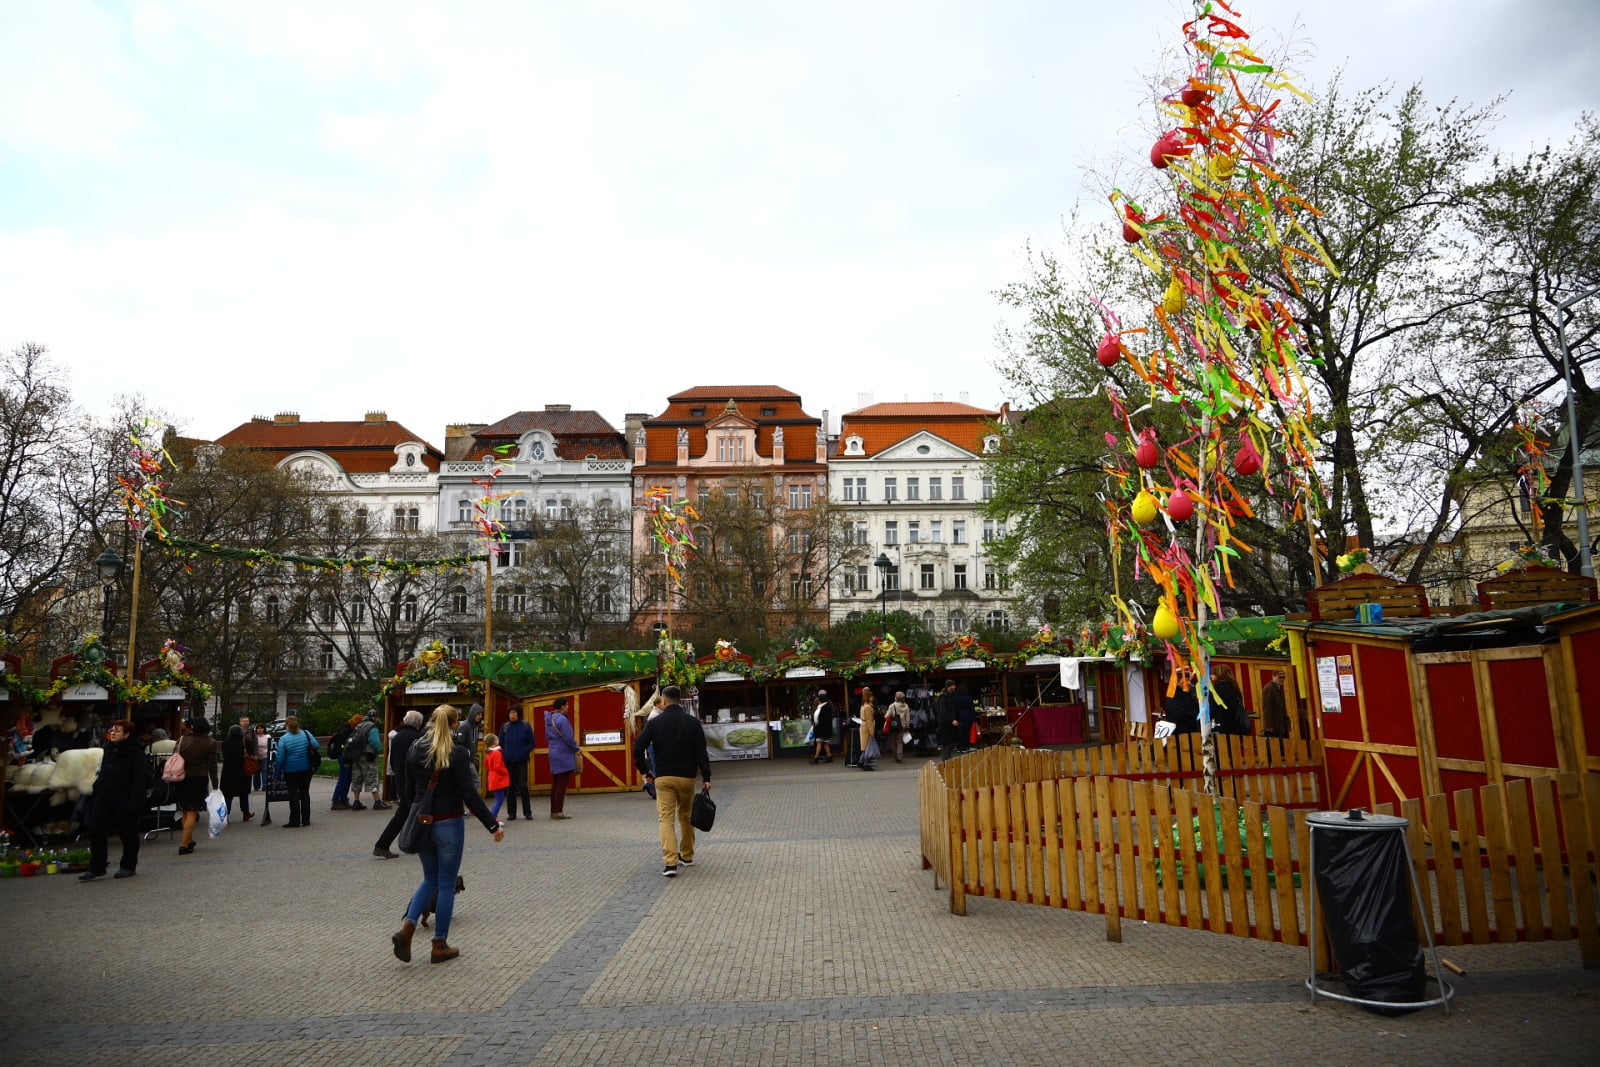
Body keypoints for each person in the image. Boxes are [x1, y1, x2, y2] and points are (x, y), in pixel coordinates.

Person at [392, 705, 505, 965]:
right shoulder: (457, 753)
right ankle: (439, 944)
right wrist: (492, 825)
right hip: (449, 822)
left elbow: (408, 791)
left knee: (428, 879)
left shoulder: (415, 749)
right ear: (456, 724)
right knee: (445, 884)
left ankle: (408, 927)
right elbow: (469, 794)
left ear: (431, 721)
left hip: (423, 822)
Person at [631, 685, 710, 877]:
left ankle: (670, 863)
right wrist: (706, 777)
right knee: (686, 816)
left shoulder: (655, 723)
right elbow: (701, 751)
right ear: (680, 700)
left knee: (665, 819)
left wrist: (645, 771)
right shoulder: (692, 723)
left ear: (663, 701)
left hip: (663, 778)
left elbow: (638, 747)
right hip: (686, 778)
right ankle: (688, 855)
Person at [80, 719, 149, 881]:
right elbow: (104, 770)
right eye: (112, 730)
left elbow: (140, 779)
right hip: (104, 796)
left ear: (127, 734)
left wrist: (135, 802)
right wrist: (98, 788)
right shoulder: (109, 748)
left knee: (127, 833)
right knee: (96, 829)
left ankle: (128, 865)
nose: (113, 733)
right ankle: (97, 866)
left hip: (125, 798)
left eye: (117, 731)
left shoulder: (135, 752)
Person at [374, 709, 426, 858]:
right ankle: (382, 844)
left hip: (400, 780)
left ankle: (413, 842)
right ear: (418, 723)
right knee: (409, 812)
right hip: (414, 782)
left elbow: (392, 760)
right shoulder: (419, 737)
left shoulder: (397, 737)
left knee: (408, 811)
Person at [174, 719, 219, 854]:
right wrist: (215, 784)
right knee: (193, 810)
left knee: (185, 810)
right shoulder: (210, 742)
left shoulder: (182, 740)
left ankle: (189, 839)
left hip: (182, 777)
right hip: (199, 777)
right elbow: (212, 765)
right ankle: (183, 843)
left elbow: (175, 756)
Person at [274, 716, 320, 828]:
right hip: (306, 768)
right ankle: (306, 819)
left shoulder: (284, 739)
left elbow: (280, 758)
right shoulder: (306, 733)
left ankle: (294, 820)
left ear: (286, 725)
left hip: (291, 770)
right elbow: (316, 745)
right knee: (305, 793)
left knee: (293, 794)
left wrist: (277, 774)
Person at [498, 706, 535, 821]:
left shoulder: (525, 726)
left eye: (514, 713)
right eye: (510, 713)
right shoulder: (505, 727)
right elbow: (501, 743)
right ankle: (511, 813)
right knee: (510, 788)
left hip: (521, 761)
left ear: (518, 714)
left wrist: (524, 752)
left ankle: (527, 812)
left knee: (523, 786)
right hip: (509, 761)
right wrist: (505, 753)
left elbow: (532, 742)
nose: (512, 715)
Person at [347, 710, 388, 811]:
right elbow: (375, 742)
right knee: (372, 776)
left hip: (355, 755)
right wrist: (378, 751)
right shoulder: (371, 727)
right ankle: (377, 802)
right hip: (367, 756)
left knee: (357, 777)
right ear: (374, 717)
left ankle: (356, 802)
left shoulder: (358, 726)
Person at [545, 696, 579, 820]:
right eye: (567, 705)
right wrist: (576, 748)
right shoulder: (562, 719)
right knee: (562, 783)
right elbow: (568, 737)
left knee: (556, 782)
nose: (568, 707)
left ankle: (553, 810)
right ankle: (558, 811)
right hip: (563, 752)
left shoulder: (550, 718)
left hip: (553, 751)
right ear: (562, 706)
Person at [219, 724, 254, 820]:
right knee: (243, 792)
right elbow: (251, 752)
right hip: (242, 770)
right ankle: (245, 812)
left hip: (228, 771)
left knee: (228, 794)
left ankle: (226, 813)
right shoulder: (245, 741)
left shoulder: (226, 743)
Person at [329, 715, 358, 810]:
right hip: (344, 757)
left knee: (347, 778)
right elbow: (344, 747)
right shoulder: (347, 731)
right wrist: (347, 760)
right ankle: (336, 800)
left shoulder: (346, 729)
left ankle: (343, 799)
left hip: (344, 756)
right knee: (343, 778)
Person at [1211, 665, 1250, 735]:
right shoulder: (1235, 688)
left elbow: (1212, 708)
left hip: (1219, 724)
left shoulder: (1215, 688)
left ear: (1219, 674)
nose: (1211, 676)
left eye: (1213, 673)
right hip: (1235, 724)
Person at [484, 733, 509, 820]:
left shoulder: (488, 753)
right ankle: (493, 818)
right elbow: (498, 767)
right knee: (499, 800)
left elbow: (486, 765)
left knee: (498, 799)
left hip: (492, 777)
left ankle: (492, 817)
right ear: (494, 742)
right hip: (498, 778)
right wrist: (505, 772)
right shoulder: (497, 753)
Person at [936, 681, 962, 760]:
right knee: (947, 744)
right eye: (953, 685)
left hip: (952, 725)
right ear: (949, 686)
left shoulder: (951, 696)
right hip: (945, 725)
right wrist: (952, 720)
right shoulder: (943, 696)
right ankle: (945, 762)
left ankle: (947, 760)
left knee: (952, 742)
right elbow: (943, 711)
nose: (955, 687)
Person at [810, 689, 836, 764]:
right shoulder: (825, 706)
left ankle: (816, 758)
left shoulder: (824, 707)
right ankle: (829, 756)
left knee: (819, 742)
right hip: (824, 729)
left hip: (821, 729)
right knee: (825, 743)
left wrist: (816, 724)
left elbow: (821, 718)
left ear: (820, 700)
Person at [1261, 669, 1289, 738]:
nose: (1282, 679)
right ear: (1273, 676)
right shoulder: (1269, 688)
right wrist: (1268, 726)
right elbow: (1267, 707)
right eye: (1280, 677)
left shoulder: (1277, 687)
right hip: (1274, 727)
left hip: (1280, 726)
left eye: (1283, 677)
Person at [885, 691, 910, 763]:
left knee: (893, 741)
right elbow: (907, 718)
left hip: (893, 726)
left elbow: (887, 716)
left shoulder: (892, 706)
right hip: (902, 726)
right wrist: (907, 726)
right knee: (899, 742)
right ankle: (899, 757)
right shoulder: (906, 706)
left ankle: (895, 756)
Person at [858, 688, 879, 771]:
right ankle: (866, 764)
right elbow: (869, 720)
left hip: (864, 726)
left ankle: (861, 761)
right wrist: (872, 731)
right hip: (867, 727)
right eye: (871, 697)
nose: (872, 698)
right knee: (868, 746)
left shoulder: (863, 706)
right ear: (868, 697)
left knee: (865, 746)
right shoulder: (868, 707)